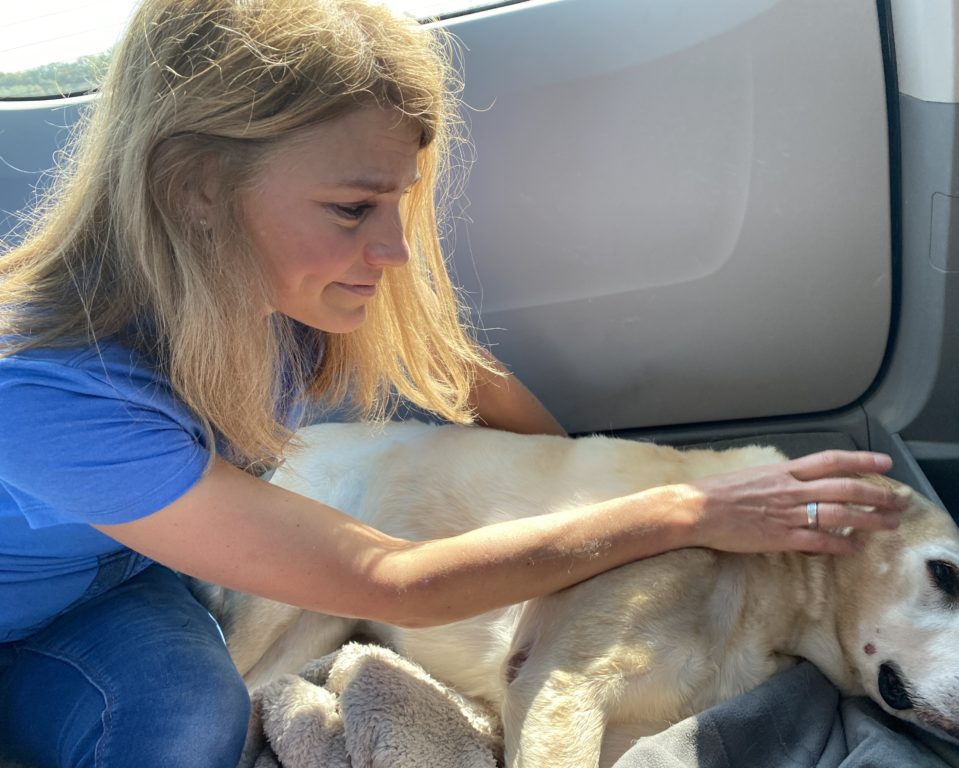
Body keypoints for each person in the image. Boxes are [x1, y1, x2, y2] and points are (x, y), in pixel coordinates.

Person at [0, 1, 908, 766]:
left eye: (399, 204)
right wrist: (687, 509)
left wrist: (588, 488)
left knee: (203, 717)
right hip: (24, 618)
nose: (394, 250)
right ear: (195, 187)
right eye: (354, 208)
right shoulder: (53, 393)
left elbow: (463, 377)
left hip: (121, 586)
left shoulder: (271, 308)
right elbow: (392, 581)